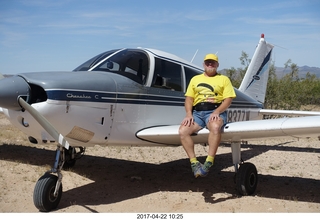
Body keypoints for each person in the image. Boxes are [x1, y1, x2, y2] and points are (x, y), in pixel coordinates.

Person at [179, 53, 236, 178]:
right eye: (208, 62)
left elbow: (228, 100)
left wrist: (217, 112)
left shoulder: (224, 79)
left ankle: (209, 161)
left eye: (213, 62)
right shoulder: (195, 79)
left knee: (215, 127)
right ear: (203, 64)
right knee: (183, 130)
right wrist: (189, 114)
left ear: (217, 65)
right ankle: (194, 163)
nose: (210, 64)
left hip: (215, 111)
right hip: (197, 113)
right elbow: (189, 99)